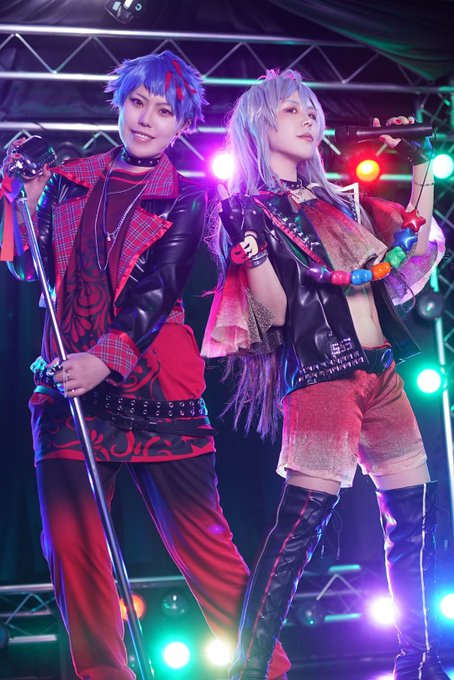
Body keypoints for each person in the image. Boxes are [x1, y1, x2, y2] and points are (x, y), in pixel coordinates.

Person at [0, 52, 290, 680]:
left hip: (156, 386)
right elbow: (31, 270)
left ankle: (267, 670)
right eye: (137, 103)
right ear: (119, 102)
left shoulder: (187, 194)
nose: (146, 119)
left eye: (164, 111)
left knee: (205, 549)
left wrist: (103, 360)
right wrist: (27, 201)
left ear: (182, 125)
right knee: (72, 553)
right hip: (69, 389)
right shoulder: (68, 180)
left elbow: (159, 289)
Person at [202, 68, 448, 679]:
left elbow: (414, 249)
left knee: (415, 523)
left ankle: (422, 665)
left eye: (311, 108)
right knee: (296, 532)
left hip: (382, 374)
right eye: (292, 109)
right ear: (259, 125)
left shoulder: (339, 201)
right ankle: (248, 670)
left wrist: (421, 164)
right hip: (322, 378)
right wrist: (253, 250)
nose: (309, 117)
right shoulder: (251, 210)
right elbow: (277, 314)